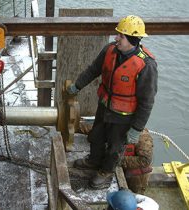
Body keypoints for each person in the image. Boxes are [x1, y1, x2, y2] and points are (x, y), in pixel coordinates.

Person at [67, 15, 158, 189]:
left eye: (121, 36)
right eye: (118, 35)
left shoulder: (146, 65)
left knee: (115, 147)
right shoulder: (109, 50)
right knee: (96, 136)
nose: (116, 38)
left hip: (125, 117)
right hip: (105, 107)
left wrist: (136, 129)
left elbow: (147, 102)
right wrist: (77, 85)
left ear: (132, 39)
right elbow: (93, 70)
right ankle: (93, 161)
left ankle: (106, 172)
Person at [121, 129, 153, 194]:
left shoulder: (143, 137)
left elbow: (145, 160)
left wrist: (119, 160)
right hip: (121, 168)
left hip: (135, 177)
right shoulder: (114, 128)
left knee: (135, 195)